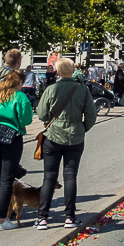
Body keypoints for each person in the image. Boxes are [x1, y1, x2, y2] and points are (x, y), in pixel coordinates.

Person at [37, 57, 98, 229]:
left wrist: (50, 121)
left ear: (57, 71)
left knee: (49, 177)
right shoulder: (82, 90)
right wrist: (82, 128)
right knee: (70, 176)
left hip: (53, 137)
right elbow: (91, 115)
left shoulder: (51, 89)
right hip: (75, 137)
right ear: (73, 71)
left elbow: (41, 113)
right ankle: (69, 217)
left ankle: (42, 218)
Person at [0, 68, 33, 230]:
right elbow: (26, 118)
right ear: (18, 82)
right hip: (11, 140)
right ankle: (2, 220)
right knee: (6, 180)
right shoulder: (19, 96)